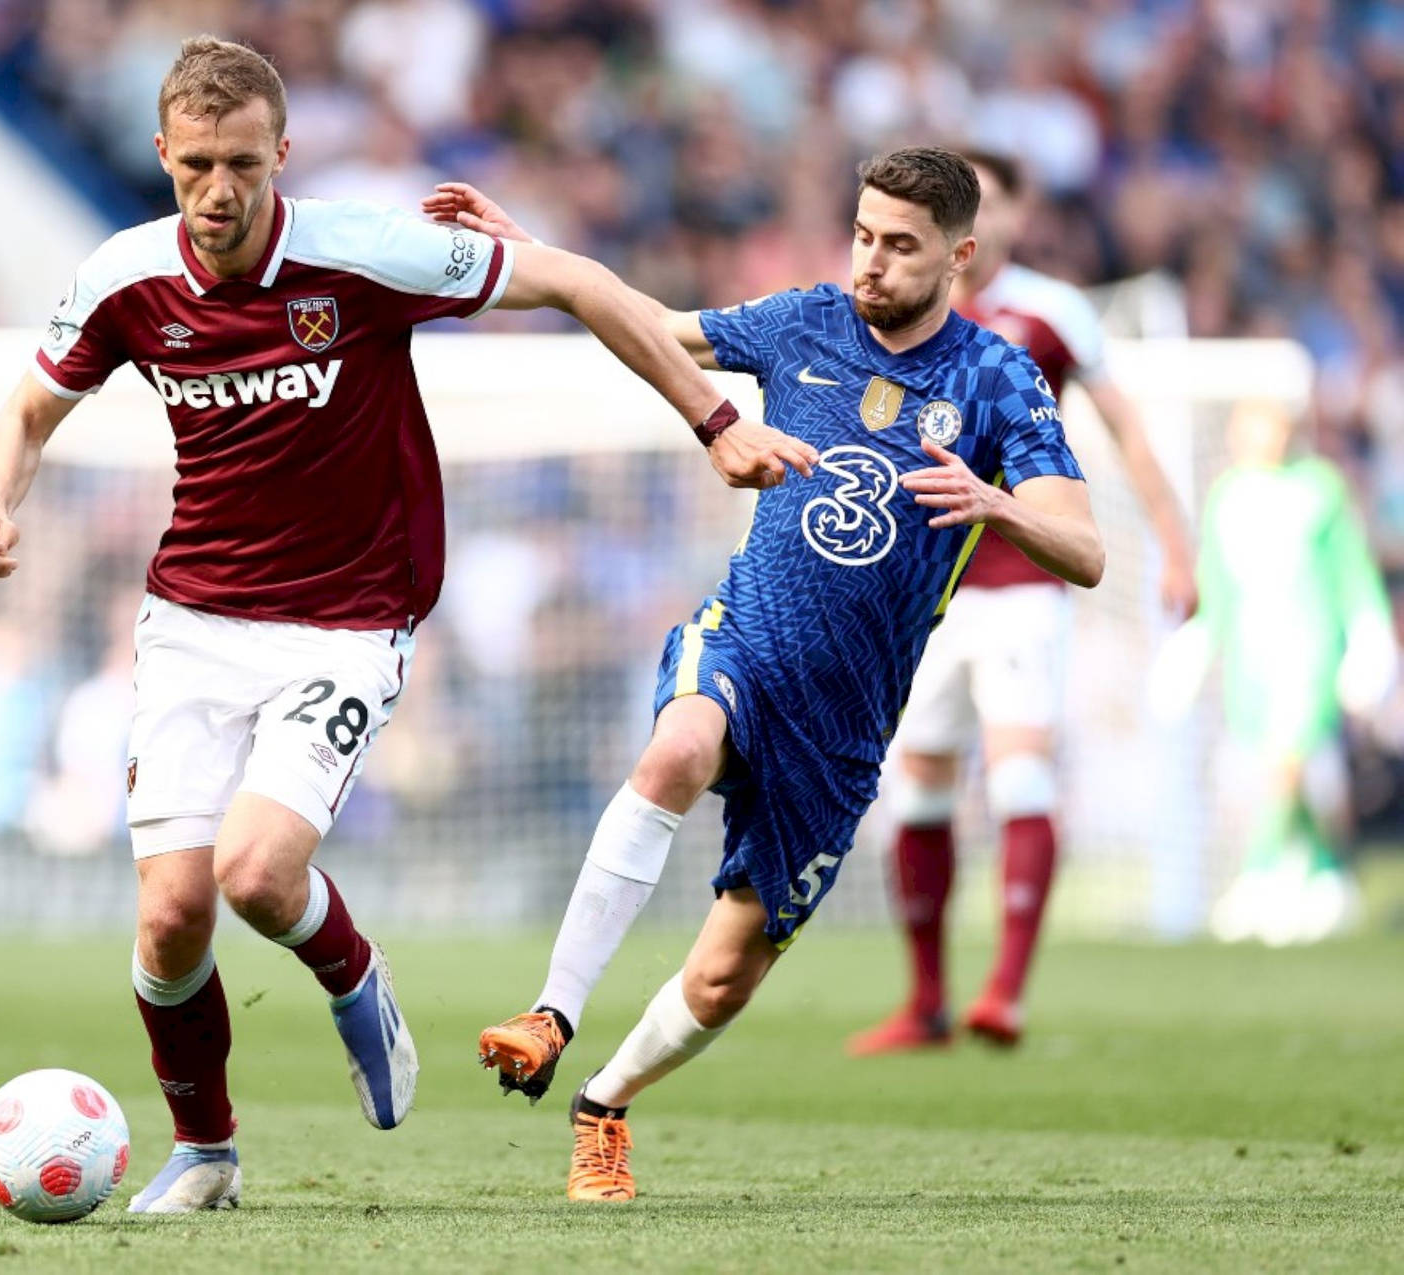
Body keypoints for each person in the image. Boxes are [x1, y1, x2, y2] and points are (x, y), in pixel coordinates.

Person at [0, 36, 815, 1216]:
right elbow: (25, 410)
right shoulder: (124, 278)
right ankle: (206, 1154)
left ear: (282, 156)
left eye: (244, 165)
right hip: (195, 617)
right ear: (161, 154)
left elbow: (577, 281)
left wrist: (717, 420)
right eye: (197, 164)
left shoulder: (359, 252)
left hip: (349, 616)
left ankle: (359, 984)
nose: (220, 191)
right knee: (169, 913)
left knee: (259, 875)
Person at [425, 147, 1103, 1201]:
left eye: (902, 246)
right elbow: (654, 325)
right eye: (864, 235)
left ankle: (602, 1104)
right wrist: (539, 258)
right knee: (678, 749)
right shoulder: (805, 322)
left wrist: (1000, 503)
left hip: (841, 732)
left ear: (961, 255)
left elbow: (1087, 550)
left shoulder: (997, 379)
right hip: (744, 642)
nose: (871, 262)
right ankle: (551, 1010)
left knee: (724, 976)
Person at [849, 149, 1199, 1056]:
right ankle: (926, 1001)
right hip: (917, 588)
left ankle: (1004, 991)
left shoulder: (1053, 310)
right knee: (917, 783)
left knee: (1018, 772)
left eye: (992, 200)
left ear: (1005, 214)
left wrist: (1174, 543)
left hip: (1019, 578)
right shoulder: (898, 305)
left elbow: (1126, 429)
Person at [1152, 400, 1393, 945]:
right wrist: (1194, 645)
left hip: (1308, 650)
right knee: (1292, 775)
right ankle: (1327, 875)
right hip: (1249, 659)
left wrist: (1368, 640)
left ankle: (1257, 878)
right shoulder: (1228, 495)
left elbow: (1352, 571)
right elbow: (1216, 584)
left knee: (1288, 764)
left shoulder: (1320, 488)